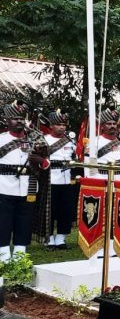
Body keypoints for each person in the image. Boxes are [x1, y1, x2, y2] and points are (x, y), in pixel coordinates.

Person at [0, 101, 47, 261]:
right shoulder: (1, 139)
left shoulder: (35, 140)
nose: (19, 121)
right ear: (6, 120)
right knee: (3, 221)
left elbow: (46, 163)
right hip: (4, 186)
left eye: (21, 118)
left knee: (24, 221)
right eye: (14, 118)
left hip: (29, 186)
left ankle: (20, 255)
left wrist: (40, 160)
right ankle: (3, 256)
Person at [44, 110, 77, 250]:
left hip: (67, 178)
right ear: (51, 125)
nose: (61, 127)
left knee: (66, 209)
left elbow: (75, 156)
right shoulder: (44, 139)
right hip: (51, 177)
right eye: (58, 124)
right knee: (50, 209)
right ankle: (49, 238)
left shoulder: (71, 140)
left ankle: (61, 238)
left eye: (63, 124)